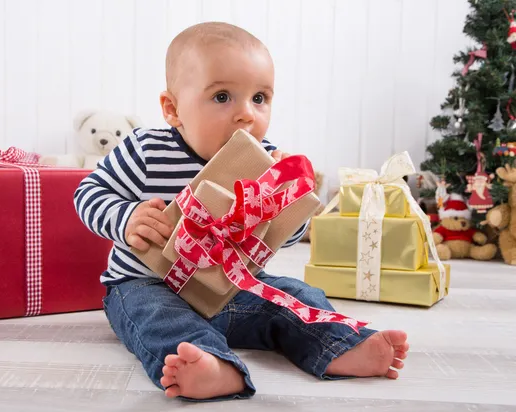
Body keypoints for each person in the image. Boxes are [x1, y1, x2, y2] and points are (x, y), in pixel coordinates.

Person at [74, 22, 409, 402]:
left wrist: (288, 203)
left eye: (260, 98)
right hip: (147, 284)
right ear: (173, 109)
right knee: (159, 318)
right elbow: (88, 193)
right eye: (222, 97)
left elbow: (282, 239)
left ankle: (341, 346)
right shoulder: (146, 150)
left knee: (295, 295)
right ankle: (212, 365)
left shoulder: (265, 162)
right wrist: (126, 217)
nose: (246, 114)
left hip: (231, 291)